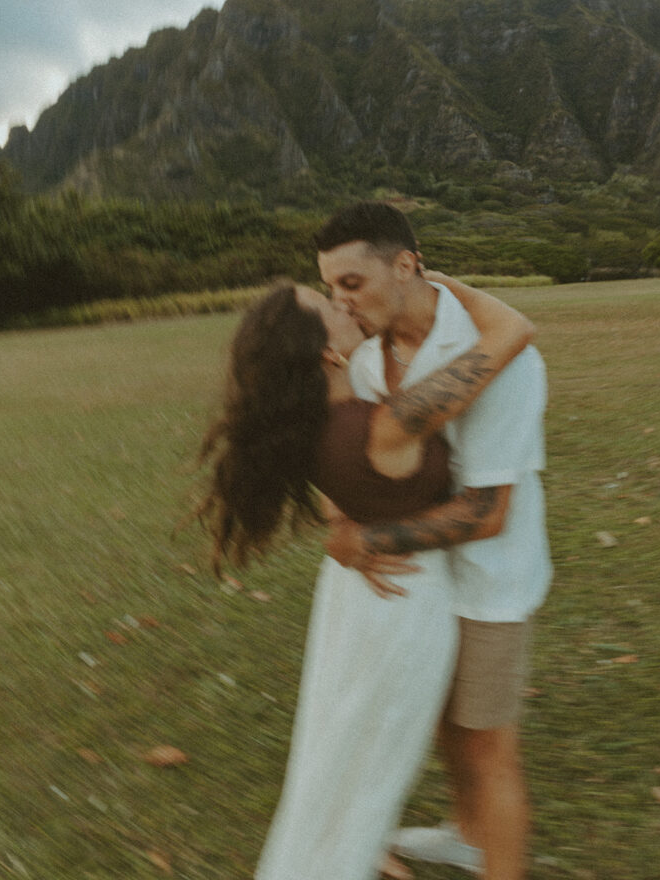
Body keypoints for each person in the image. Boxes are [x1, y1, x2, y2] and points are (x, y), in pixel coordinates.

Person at [197, 274, 534, 880]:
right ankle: (347, 852)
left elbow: (338, 504)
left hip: (353, 598)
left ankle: (343, 847)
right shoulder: (389, 422)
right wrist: (428, 280)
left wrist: (353, 535)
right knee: (374, 749)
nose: (344, 303)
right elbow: (512, 331)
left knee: (341, 744)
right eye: (329, 304)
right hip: (404, 597)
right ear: (327, 352)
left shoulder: (306, 428)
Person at [315, 202, 551, 880]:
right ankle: (465, 831)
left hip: (488, 583)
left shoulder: (500, 358)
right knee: (446, 727)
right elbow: (349, 456)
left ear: (406, 265)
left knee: (487, 749)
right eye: (331, 289)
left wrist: (369, 541)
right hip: (421, 585)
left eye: (351, 284)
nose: (342, 301)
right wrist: (339, 522)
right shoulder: (363, 360)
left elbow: (486, 513)